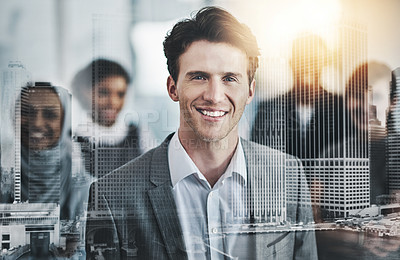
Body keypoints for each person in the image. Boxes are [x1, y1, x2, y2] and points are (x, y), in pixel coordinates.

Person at [86, 7, 317, 259]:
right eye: (199, 77)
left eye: (229, 78)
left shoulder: (288, 177)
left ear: (250, 91)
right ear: (172, 88)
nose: (214, 96)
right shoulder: (111, 196)